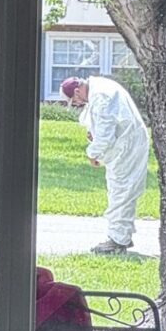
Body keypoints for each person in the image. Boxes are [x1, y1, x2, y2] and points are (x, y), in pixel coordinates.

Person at [60, 74, 149, 254]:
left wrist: (92, 153)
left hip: (126, 148)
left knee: (121, 192)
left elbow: (105, 135)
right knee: (121, 191)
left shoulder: (100, 96)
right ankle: (121, 236)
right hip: (126, 144)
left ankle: (117, 241)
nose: (76, 104)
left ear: (77, 91)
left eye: (73, 100)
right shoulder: (100, 87)